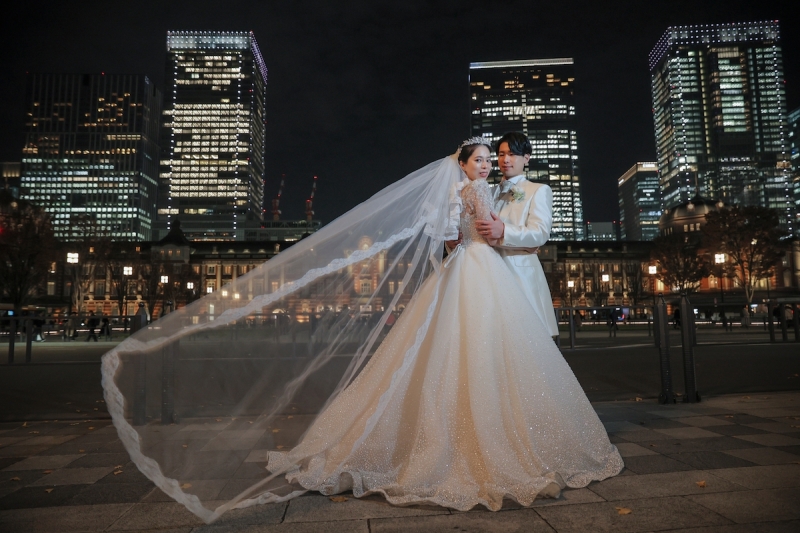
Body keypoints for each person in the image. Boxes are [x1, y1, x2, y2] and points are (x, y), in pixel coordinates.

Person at [101, 139, 622, 523]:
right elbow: (449, 234)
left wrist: (498, 230)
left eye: (502, 156)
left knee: (509, 359)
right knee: (466, 354)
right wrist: (460, 238)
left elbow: (533, 235)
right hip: (473, 273)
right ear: (466, 164)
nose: (496, 162)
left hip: (505, 282)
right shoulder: (473, 191)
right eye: (488, 156)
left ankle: (519, 427)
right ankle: (489, 436)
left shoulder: (531, 190)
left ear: (521, 160)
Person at [474, 132, 559, 339]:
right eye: (501, 154)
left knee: (525, 342)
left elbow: (540, 233)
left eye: (512, 154)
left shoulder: (538, 190)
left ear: (526, 158)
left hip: (521, 278)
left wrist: (504, 232)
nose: (505, 160)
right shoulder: (487, 192)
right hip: (486, 276)